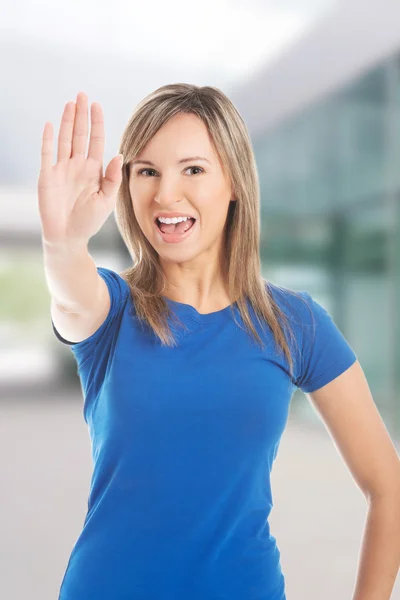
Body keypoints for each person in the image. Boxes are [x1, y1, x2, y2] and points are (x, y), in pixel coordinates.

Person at [39, 86, 357, 600]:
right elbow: (72, 293)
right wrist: (62, 243)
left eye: (192, 169)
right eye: (147, 171)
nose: (166, 194)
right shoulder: (110, 309)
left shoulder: (294, 323)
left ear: (233, 181)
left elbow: (388, 488)